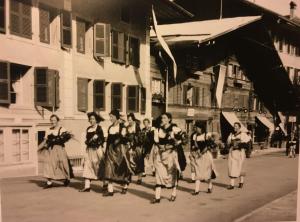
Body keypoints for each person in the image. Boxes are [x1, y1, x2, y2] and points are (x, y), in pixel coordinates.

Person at [151, 112, 184, 204]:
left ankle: (174, 193)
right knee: (159, 174)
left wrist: (173, 145)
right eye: (162, 118)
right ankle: (157, 197)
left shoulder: (174, 128)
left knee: (171, 174)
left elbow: (182, 139)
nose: (162, 120)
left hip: (170, 154)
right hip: (160, 154)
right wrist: (159, 147)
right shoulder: (158, 130)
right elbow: (156, 141)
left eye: (165, 118)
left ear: (169, 119)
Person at [38, 114, 73, 189]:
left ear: (57, 121)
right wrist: (38, 148)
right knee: (49, 164)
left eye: (54, 120)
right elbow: (45, 141)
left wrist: (61, 139)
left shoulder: (62, 129)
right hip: (51, 150)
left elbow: (66, 138)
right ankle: (49, 182)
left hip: (60, 149)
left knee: (62, 164)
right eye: (51, 120)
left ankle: (67, 178)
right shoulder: (48, 130)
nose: (52, 122)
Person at [103, 110, 133, 196]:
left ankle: (125, 186)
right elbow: (108, 141)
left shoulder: (122, 127)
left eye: (112, 116)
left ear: (116, 117)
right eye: (110, 117)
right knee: (109, 168)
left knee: (122, 169)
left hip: (120, 151)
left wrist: (121, 138)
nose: (110, 118)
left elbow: (126, 139)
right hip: (110, 151)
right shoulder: (110, 128)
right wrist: (106, 151)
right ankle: (110, 190)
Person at [79, 112, 105, 192]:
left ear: (96, 120)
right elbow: (86, 140)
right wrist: (88, 142)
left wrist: (97, 141)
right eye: (90, 119)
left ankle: (105, 185)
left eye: (93, 119)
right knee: (87, 165)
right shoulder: (88, 129)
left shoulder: (99, 128)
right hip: (89, 150)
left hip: (97, 150)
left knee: (100, 166)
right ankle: (87, 186)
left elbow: (102, 140)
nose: (91, 120)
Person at [189, 121, 217, 195]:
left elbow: (209, 146)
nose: (196, 129)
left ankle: (210, 186)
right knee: (198, 171)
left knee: (207, 172)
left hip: (206, 155)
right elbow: (194, 145)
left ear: (201, 128)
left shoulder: (206, 135)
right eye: (195, 127)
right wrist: (194, 149)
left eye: (197, 127)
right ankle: (196, 190)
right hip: (198, 155)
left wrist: (201, 153)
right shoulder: (195, 136)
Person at [227, 122, 250, 189]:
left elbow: (246, 144)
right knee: (232, 167)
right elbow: (228, 143)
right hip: (232, 152)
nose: (235, 127)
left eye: (236, 126)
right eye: (234, 126)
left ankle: (241, 182)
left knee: (240, 166)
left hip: (240, 152)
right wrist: (231, 144)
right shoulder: (231, 135)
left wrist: (238, 144)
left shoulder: (243, 134)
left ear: (239, 127)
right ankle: (232, 184)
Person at [126, 113, 144, 184]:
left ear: (133, 120)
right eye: (128, 120)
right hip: (129, 146)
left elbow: (140, 138)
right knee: (129, 161)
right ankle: (129, 176)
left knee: (139, 161)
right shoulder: (127, 127)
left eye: (130, 120)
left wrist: (135, 138)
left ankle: (139, 178)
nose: (129, 121)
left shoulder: (137, 126)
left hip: (137, 147)